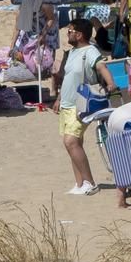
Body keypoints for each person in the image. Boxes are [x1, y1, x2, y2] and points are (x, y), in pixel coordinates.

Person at [51, 19, 110, 196]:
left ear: (79, 34)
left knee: (70, 142)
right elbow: (68, 77)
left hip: (81, 104)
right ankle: (80, 183)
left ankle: (90, 182)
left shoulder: (90, 51)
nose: (68, 34)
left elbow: (101, 66)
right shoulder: (72, 53)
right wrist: (58, 98)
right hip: (67, 104)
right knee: (75, 144)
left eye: (70, 31)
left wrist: (111, 83)